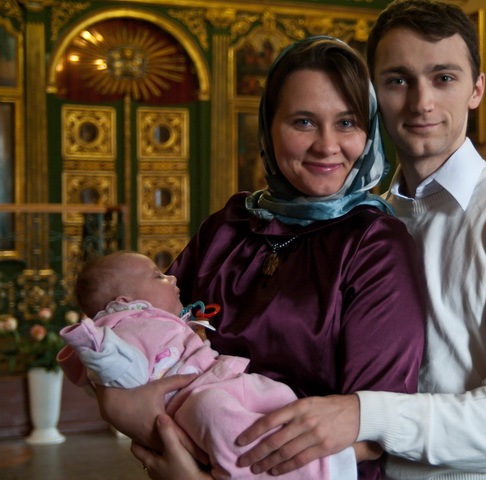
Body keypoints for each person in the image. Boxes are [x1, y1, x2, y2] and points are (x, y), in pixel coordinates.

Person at [231, 1, 486, 479]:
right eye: (398, 80)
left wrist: (363, 414)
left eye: (443, 78)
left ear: (476, 89)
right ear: (372, 95)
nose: (421, 103)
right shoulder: (359, 219)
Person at [94, 36, 427, 480]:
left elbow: (374, 427)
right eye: (304, 122)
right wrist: (119, 404)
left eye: (347, 122)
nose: (327, 145)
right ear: (268, 128)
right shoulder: (228, 227)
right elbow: (142, 332)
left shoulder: (373, 245)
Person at [58, 251, 357, 480]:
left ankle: (315, 447)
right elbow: (118, 368)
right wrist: (95, 348)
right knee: (214, 413)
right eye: (158, 277)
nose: (173, 278)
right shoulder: (120, 331)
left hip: (221, 377)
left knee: (274, 395)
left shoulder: (156, 319)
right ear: (125, 302)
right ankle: (302, 471)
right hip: (188, 400)